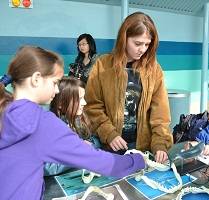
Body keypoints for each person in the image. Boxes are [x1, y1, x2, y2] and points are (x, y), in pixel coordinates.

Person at [0, 46, 145, 200]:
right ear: (36, 79)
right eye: (55, 83)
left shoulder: (6, 111)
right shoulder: (41, 122)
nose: (57, 91)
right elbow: (102, 163)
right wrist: (137, 160)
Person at [84, 12, 173, 163]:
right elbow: (93, 106)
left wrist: (160, 144)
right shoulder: (103, 65)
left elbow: (160, 115)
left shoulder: (155, 70)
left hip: (142, 148)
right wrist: (109, 133)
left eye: (147, 44)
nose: (143, 49)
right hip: (110, 147)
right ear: (123, 39)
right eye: (137, 43)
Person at [44, 77, 101, 176]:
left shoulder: (78, 118)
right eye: (79, 99)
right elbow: (47, 167)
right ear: (61, 103)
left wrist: (89, 145)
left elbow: (93, 141)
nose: (84, 103)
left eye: (83, 98)